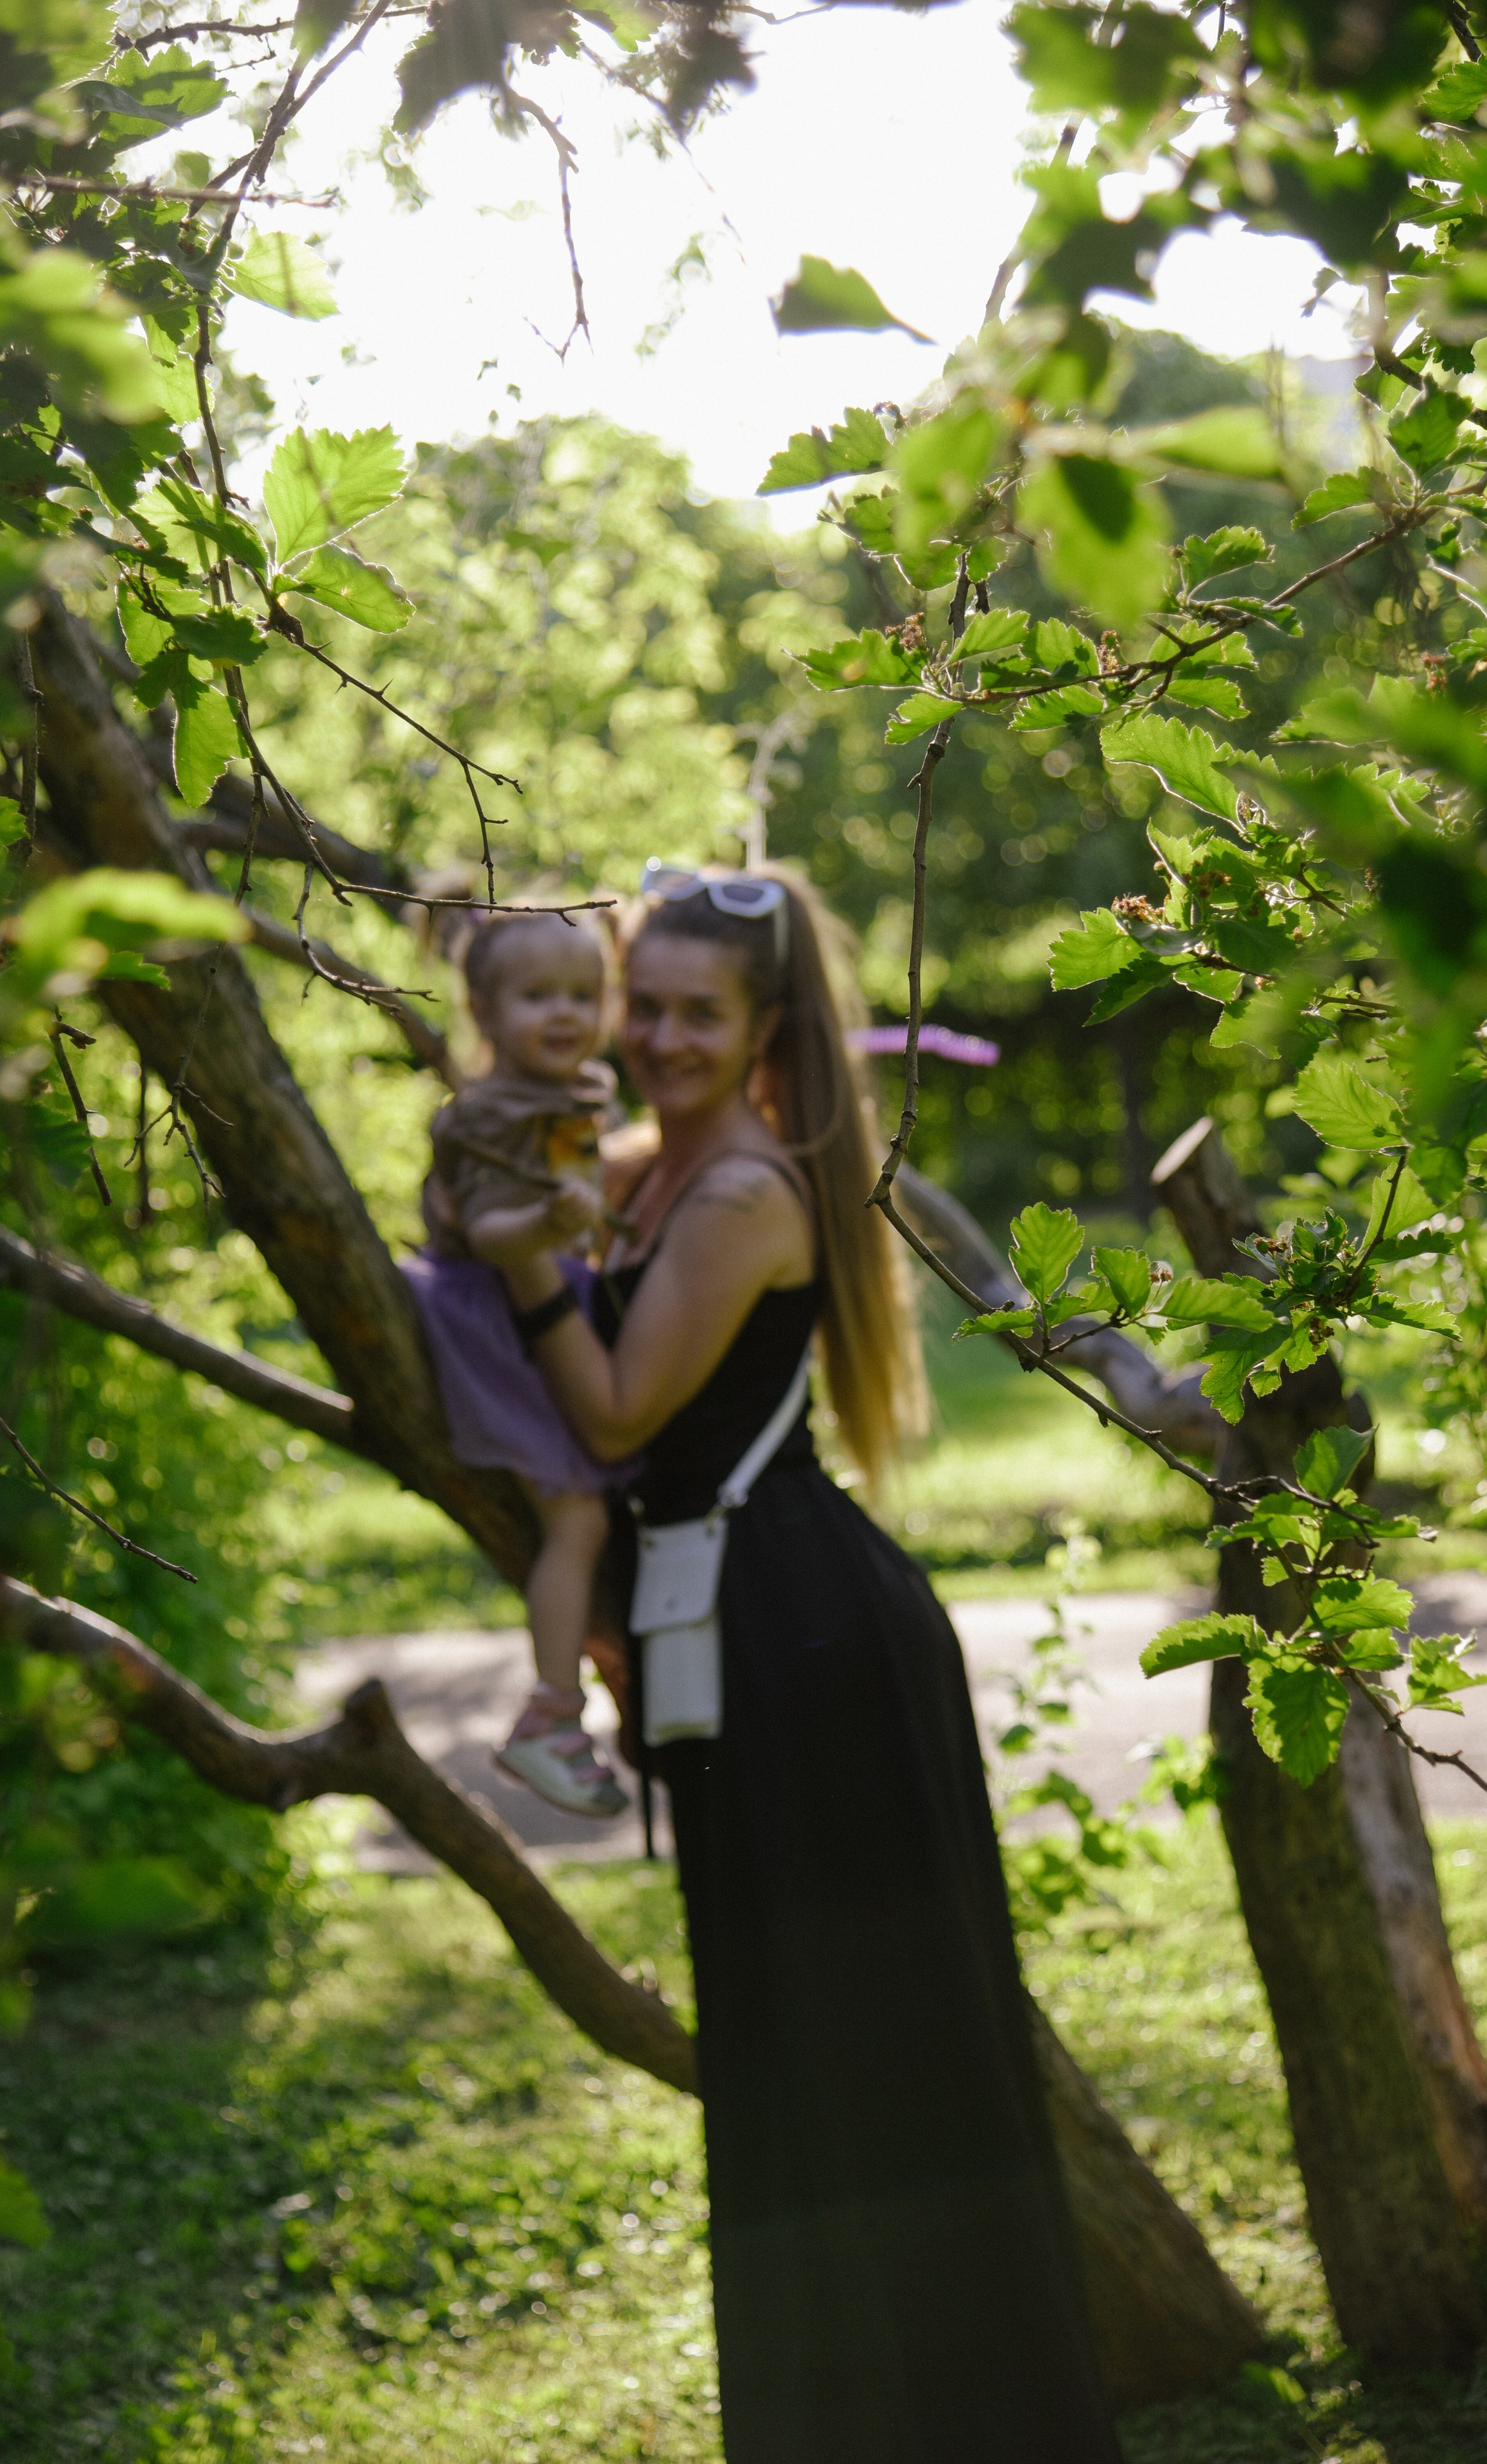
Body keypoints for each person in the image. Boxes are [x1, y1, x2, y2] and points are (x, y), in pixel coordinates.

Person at [473, 863, 1123, 2462]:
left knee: (880, 2054)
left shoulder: (743, 1194)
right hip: (735, 1631)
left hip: (808, 1645)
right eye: (644, 1005)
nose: (661, 1038)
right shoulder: (640, 1168)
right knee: (789, 2054)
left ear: (764, 1025)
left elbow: (615, 1406)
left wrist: (519, 1262)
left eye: (700, 1014)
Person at [403, 905, 629, 1820]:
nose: (566, 1014)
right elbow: (494, 1233)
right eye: (540, 996)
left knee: (592, 1515)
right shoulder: (484, 1117)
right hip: (497, 1317)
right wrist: (549, 1223)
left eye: (584, 994)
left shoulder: (565, 1095)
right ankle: (551, 1715)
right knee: (576, 1517)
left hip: (544, 1302)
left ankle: (576, 1702)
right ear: (484, 1011)